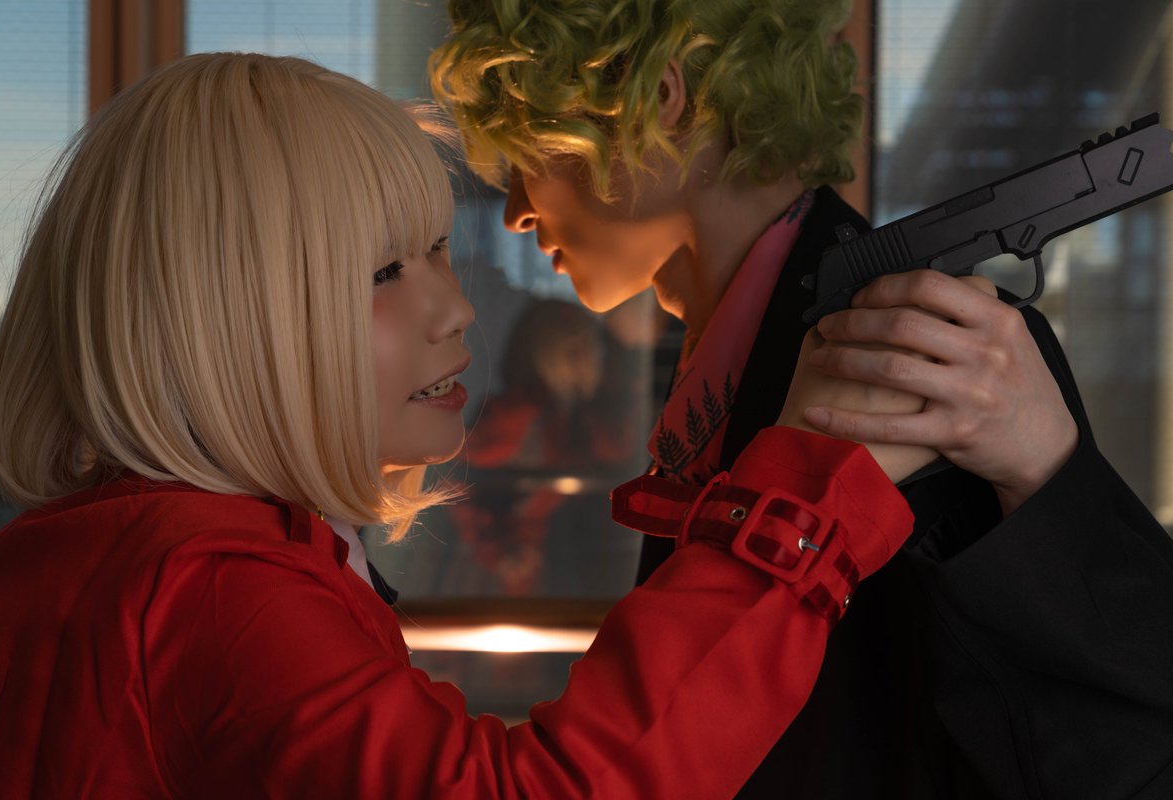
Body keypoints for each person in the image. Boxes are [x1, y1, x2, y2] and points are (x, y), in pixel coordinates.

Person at [0, 52, 931, 798]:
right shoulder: (219, 589)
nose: (457, 309)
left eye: (437, 251)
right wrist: (802, 500)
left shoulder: (78, 561)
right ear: (220, 320)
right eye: (384, 273)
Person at [430, 1, 1173, 797]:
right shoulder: (739, 344)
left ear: (657, 100)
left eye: (535, 153)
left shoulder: (915, 347)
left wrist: (1050, 473)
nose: (517, 209)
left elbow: (1105, 740)